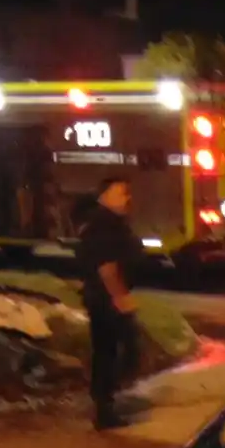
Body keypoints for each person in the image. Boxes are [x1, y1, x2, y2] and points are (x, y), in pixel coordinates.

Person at [78, 177, 142, 430]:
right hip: (106, 300)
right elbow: (107, 268)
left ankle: (106, 401)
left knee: (111, 351)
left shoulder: (109, 223)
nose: (126, 199)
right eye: (120, 193)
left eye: (127, 194)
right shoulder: (104, 226)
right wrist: (120, 297)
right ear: (103, 196)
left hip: (103, 298)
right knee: (113, 352)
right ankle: (105, 407)